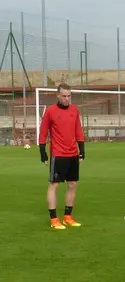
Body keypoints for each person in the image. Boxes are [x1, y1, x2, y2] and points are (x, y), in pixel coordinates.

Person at [38, 83, 85, 230]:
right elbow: (43, 132)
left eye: (69, 96)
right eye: (64, 96)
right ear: (58, 95)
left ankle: (67, 217)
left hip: (73, 154)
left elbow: (78, 130)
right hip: (58, 154)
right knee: (54, 185)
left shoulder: (74, 110)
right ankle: (54, 219)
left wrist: (82, 150)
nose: (66, 98)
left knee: (73, 184)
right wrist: (43, 152)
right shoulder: (51, 111)